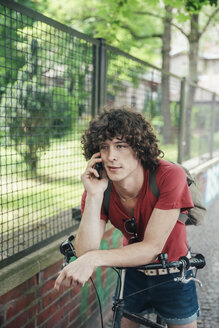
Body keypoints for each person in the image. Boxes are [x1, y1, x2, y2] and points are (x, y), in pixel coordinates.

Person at [54, 107, 200, 328]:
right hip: (132, 272)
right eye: (104, 147)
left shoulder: (169, 175)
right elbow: (85, 252)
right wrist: (94, 196)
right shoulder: (98, 187)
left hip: (173, 273)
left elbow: (152, 247)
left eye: (121, 145)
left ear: (139, 147)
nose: (111, 156)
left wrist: (94, 258)